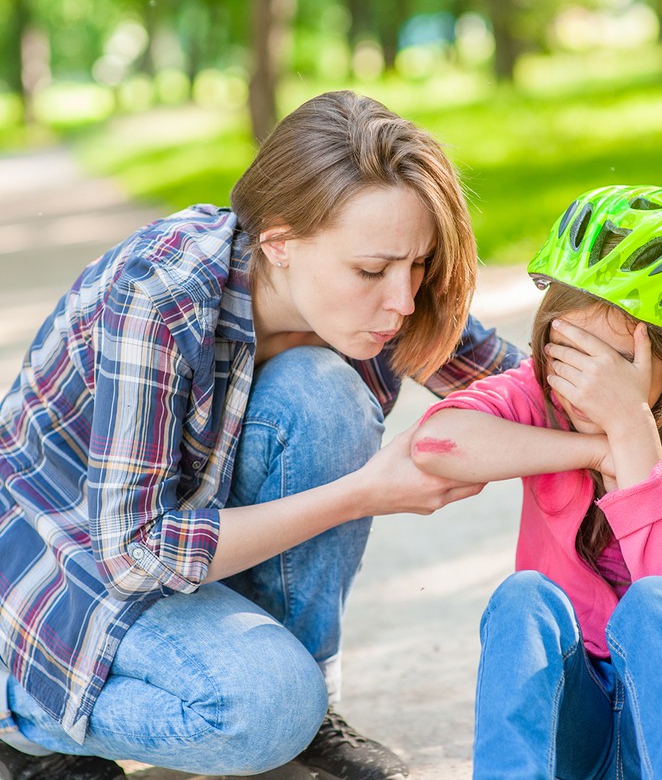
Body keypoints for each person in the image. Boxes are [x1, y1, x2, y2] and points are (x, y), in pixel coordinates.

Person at [0, 90, 524, 780]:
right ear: (277, 242)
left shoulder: (367, 299)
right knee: (260, 708)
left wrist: (659, 411)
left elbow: (517, 388)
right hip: (63, 559)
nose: (401, 300)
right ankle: (27, 723)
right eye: (371, 271)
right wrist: (364, 493)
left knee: (321, 386)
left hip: (181, 544)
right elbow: (131, 554)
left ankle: (302, 710)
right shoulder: (158, 294)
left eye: (418, 266)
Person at [411, 184, 662, 779]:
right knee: (523, 598)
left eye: (616, 366)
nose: (587, 386)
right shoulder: (538, 397)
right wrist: (598, 447)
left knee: (654, 602)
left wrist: (632, 429)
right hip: (584, 733)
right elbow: (436, 445)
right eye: (571, 352)